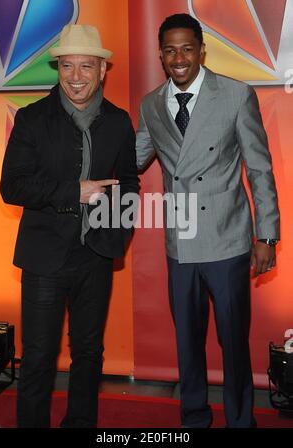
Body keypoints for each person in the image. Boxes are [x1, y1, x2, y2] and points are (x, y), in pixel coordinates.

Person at [136, 13, 280, 428]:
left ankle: (239, 420)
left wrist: (266, 234)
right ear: (161, 55)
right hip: (180, 243)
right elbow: (133, 158)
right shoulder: (151, 104)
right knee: (188, 342)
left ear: (201, 50)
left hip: (227, 240)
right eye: (169, 50)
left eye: (186, 48)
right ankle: (194, 417)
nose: (178, 57)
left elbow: (259, 168)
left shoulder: (235, 95)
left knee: (233, 342)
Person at [0, 24, 139, 428]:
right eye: (67, 66)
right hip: (44, 259)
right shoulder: (31, 119)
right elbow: (12, 186)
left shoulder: (118, 121)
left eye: (86, 66)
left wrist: (119, 232)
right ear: (57, 68)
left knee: (89, 353)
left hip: (95, 257)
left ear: (102, 70)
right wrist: (72, 192)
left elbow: (129, 181)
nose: (76, 76)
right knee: (39, 356)